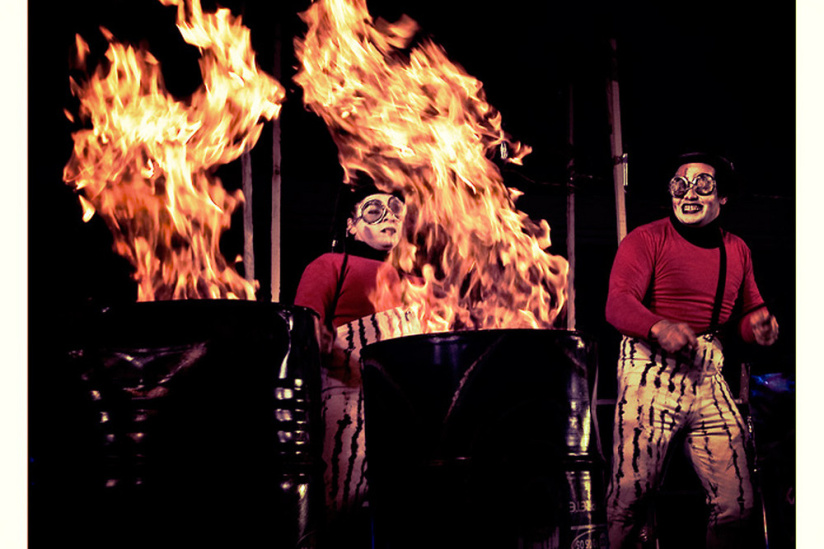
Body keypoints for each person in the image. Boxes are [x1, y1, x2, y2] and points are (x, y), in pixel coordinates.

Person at [604, 152, 779, 548]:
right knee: (630, 496)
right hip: (649, 368)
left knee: (737, 503)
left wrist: (759, 327)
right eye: (680, 185)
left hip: (706, 371)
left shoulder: (736, 250)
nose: (689, 194)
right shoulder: (646, 239)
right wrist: (658, 325)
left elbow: (750, 312)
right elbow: (617, 303)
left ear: (723, 198)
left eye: (703, 185)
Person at [294, 184, 420, 543]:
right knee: (344, 513)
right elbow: (306, 331)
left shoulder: (417, 284)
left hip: (402, 407)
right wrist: (338, 354)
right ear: (351, 224)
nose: (388, 217)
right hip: (345, 402)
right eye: (374, 209)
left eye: (395, 209)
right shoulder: (330, 264)